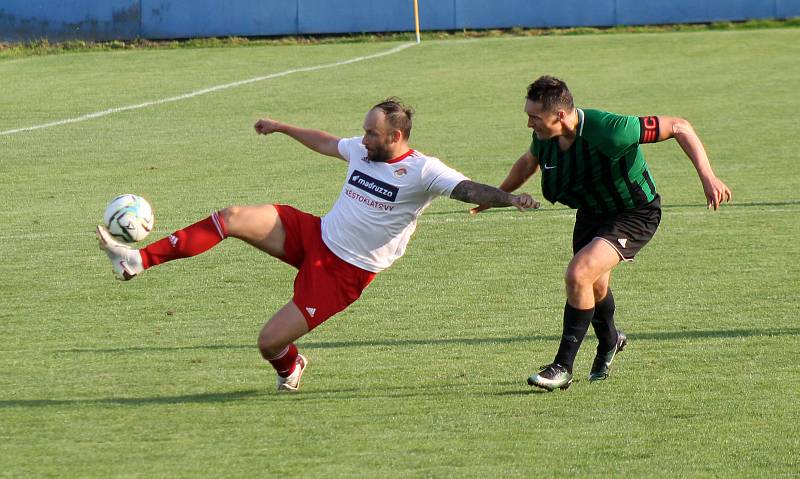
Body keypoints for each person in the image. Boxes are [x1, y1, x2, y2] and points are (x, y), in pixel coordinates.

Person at [96, 98, 538, 392]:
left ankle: (291, 366)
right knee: (231, 217)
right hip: (315, 235)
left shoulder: (424, 171)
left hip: (343, 273)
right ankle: (135, 259)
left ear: (396, 137)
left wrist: (509, 198)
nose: (362, 140)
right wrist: (281, 126)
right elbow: (327, 142)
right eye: (363, 131)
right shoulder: (365, 151)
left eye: (371, 134)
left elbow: (467, 189)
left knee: (268, 343)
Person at [471, 76, 732, 391]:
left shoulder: (611, 129)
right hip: (592, 213)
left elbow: (680, 126)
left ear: (562, 115)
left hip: (634, 212)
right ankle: (610, 340)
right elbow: (530, 162)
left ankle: (562, 367)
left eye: (535, 117)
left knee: (578, 274)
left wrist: (708, 177)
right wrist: (498, 196)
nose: (529, 124)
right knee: (593, 287)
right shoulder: (546, 136)